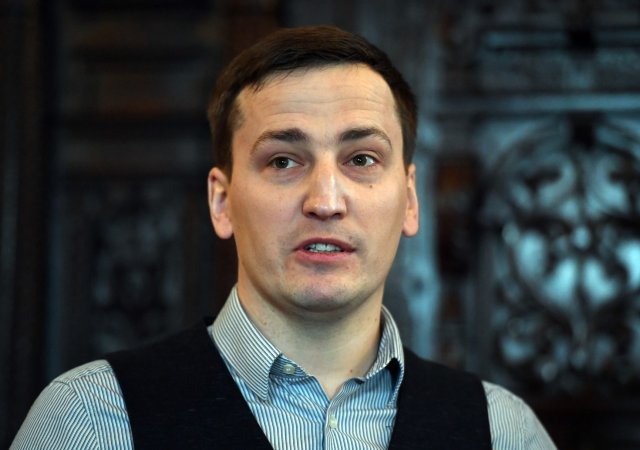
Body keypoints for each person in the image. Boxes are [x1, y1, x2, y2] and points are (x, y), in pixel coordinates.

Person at [11, 25, 556, 449]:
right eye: (283, 161)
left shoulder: (501, 431)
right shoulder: (90, 420)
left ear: (410, 200)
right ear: (221, 202)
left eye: (361, 159)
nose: (326, 201)